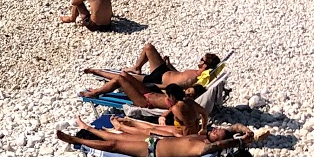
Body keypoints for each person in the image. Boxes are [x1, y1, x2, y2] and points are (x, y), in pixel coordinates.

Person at [56, 121, 263, 157]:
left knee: (114, 146)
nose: (217, 130)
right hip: (155, 141)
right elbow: (233, 127)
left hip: (152, 152)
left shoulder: (205, 146)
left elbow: (219, 145)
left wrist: (237, 143)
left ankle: (76, 139)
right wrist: (246, 131)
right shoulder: (204, 136)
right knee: (118, 137)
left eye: (219, 132)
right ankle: (89, 128)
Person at [83, 47, 222, 107]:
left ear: (205, 65)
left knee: (122, 77)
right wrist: (169, 65)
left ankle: (97, 77)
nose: (199, 60)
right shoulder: (197, 73)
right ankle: (136, 67)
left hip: (156, 84)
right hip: (163, 72)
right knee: (148, 48)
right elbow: (179, 76)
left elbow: (175, 88)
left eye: (202, 59)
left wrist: (157, 86)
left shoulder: (196, 80)